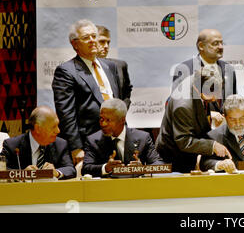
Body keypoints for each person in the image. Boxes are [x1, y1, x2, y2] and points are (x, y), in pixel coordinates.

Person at [52, 19, 120, 165]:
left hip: (114, 139)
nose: (92, 41)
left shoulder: (111, 66)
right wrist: (76, 147)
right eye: (85, 38)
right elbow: (66, 113)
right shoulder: (66, 71)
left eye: (94, 36)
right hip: (87, 143)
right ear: (75, 44)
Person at [156, 67, 232, 173]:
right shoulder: (183, 106)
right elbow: (184, 141)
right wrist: (213, 146)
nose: (215, 98)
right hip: (173, 157)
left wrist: (208, 116)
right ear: (198, 88)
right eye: (212, 94)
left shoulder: (200, 79)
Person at [82, 99, 164, 177]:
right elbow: (86, 169)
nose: (103, 124)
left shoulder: (143, 138)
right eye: (101, 119)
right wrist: (105, 168)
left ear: (122, 120)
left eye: (108, 120)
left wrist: (142, 168)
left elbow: (159, 164)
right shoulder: (93, 140)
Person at [171, 29, 236, 127]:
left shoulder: (229, 69)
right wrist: (208, 115)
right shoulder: (184, 70)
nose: (221, 47)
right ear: (201, 46)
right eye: (215, 43)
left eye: (222, 43)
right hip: (196, 134)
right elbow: (178, 107)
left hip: (224, 133)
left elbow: (233, 101)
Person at [0, 106, 76, 179]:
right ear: (38, 128)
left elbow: (70, 169)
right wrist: (22, 174)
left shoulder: (60, 145)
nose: (58, 131)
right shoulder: (12, 145)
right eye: (53, 127)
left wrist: (56, 172)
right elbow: (2, 171)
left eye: (58, 126)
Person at [96, 25, 133, 109]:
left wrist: (122, 110)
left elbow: (127, 91)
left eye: (108, 42)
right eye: (102, 41)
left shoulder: (120, 65)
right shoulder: (79, 69)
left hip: (118, 119)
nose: (106, 46)